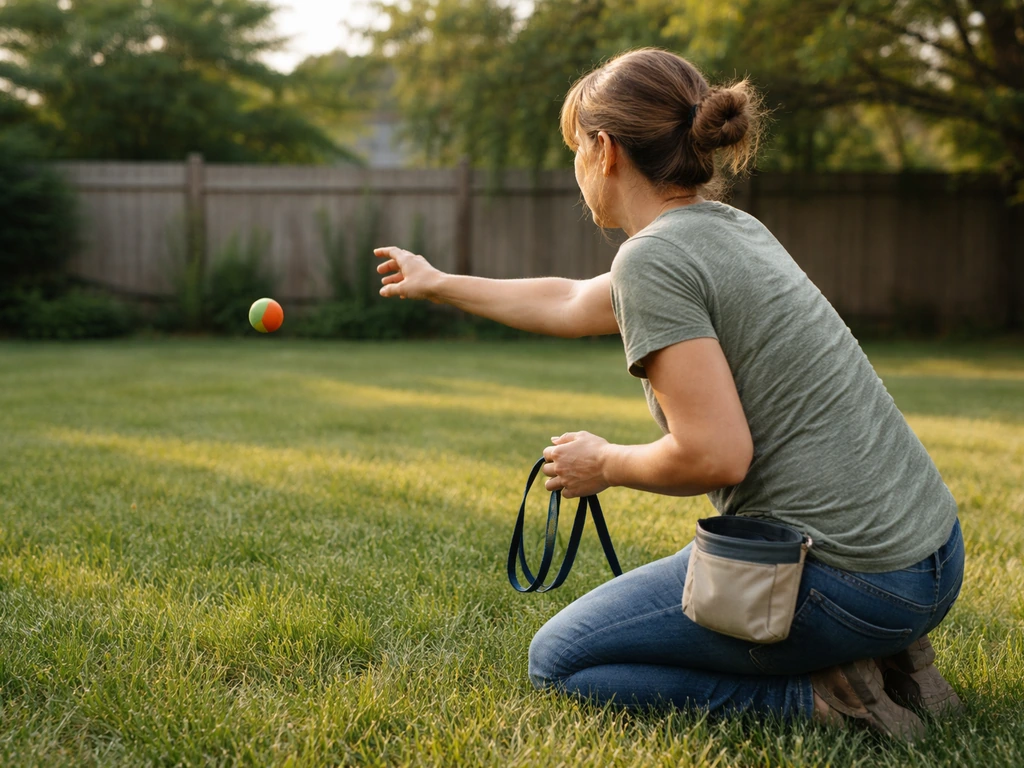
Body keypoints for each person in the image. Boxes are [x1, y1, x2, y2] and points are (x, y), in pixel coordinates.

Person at [373, 48, 964, 741]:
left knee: (561, 663)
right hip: (931, 558)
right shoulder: (728, 230)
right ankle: (894, 659)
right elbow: (568, 300)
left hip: (853, 582)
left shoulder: (653, 260)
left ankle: (825, 699)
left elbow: (716, 455)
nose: (575, 167)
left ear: (604, 149)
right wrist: (437, 281)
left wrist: (603, 463)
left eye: (574, 148)